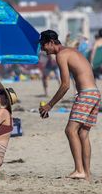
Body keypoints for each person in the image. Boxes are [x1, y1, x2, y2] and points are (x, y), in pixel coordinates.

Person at [38, 30, 101, 181]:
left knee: (70, 130)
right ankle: (86, 173)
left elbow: (65, 85)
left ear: (51, 42)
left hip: (86, 94)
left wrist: (49, 105)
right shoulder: (72, 51)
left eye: (43, 45)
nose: (42, 49)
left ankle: (79, 170)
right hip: (95, 93)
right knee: (83, 134)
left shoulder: (62, 55)